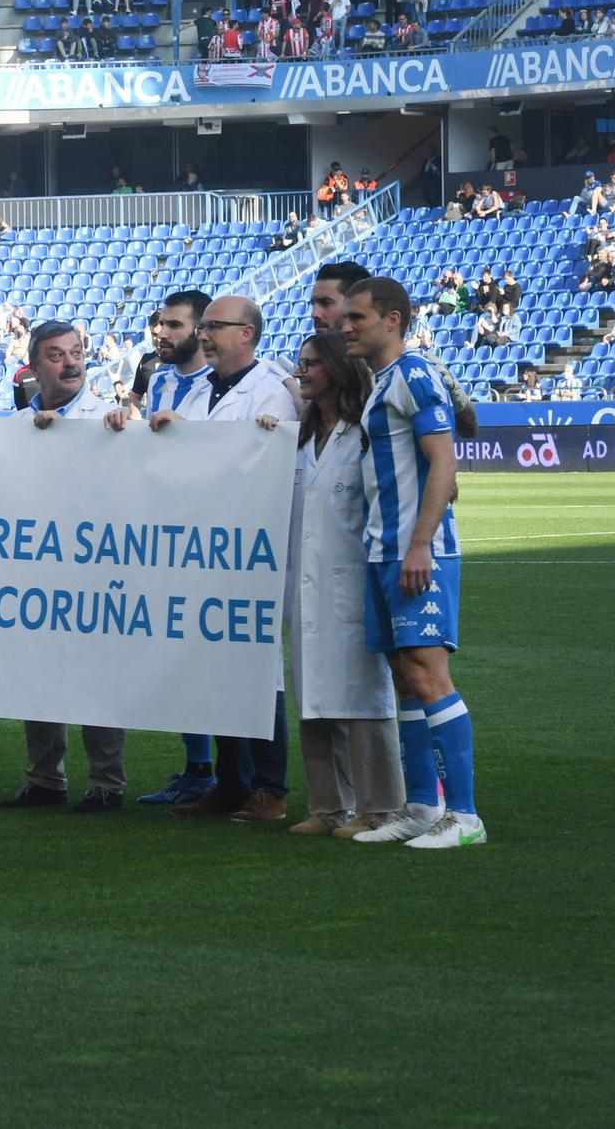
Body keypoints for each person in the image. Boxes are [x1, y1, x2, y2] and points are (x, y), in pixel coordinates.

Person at [339, 278, 484, 849]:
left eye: (358, 316)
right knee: (404, 680)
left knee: (427, 675)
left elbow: (444, 464)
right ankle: (422, 807)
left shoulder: (415, 375)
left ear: (393, 319)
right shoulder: (380, 384)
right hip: (382, 552)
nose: (347, 326)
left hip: (414, 552)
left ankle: (465, 816)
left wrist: (420, 543)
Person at [151, 296, 299, 821]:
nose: (206, 335)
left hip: (252, 552)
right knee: (215, 666)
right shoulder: (196, 395)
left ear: (248, 334)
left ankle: (271, 788)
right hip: (202, 550)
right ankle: (233, 782)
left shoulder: (277, 394)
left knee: (259, 668)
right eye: (205, 326)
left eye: (216, 326)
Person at [0, 321, 126, 811]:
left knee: (97, 676)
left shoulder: (110, 420)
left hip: (92, 568)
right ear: (34, 367)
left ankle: (106, 782)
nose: (72, 363)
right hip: (34, 570)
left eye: (77, 353)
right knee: (37, 675)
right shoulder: (13, 430)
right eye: (58, 356)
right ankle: (45, 778)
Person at [285, 332, 406, 838]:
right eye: (300, 364)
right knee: (312, 692)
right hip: (305, 583)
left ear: (336, 368)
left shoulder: (363, 433)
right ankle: (328, 805)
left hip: (352, 581)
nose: (302, 372)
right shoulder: (297, 436)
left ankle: (380, 806)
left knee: (363, 696)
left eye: (311, 363)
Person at [107, 289, 214, 805]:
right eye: (158, 324)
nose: (160, 333)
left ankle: (246, 779)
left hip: (212, 538)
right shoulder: (159, 378)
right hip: (166, 535)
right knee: (176, 657)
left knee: (218, 657)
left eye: (173, 325)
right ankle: (199, 768)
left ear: (200, 329)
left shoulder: (223, 384)